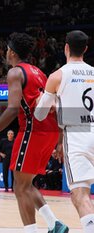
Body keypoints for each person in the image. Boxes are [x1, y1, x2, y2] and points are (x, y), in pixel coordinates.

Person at [0, 32, 68, 233]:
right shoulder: (39, 72)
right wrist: (59, 139)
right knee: (26, 183)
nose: (5, 52)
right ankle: (54, 224)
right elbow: (57, 105)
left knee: (20, 187)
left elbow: (12, 109)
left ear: (12, 52)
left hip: (33, 131)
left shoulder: (15, 72)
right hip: (49, 131)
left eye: (7, 48)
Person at [35, 30, 94, 233]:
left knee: (80, 193)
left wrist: (47, 101)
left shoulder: (57, 75)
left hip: (77, 134)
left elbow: (40, 114)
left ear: (66, 48)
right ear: (85, 49)